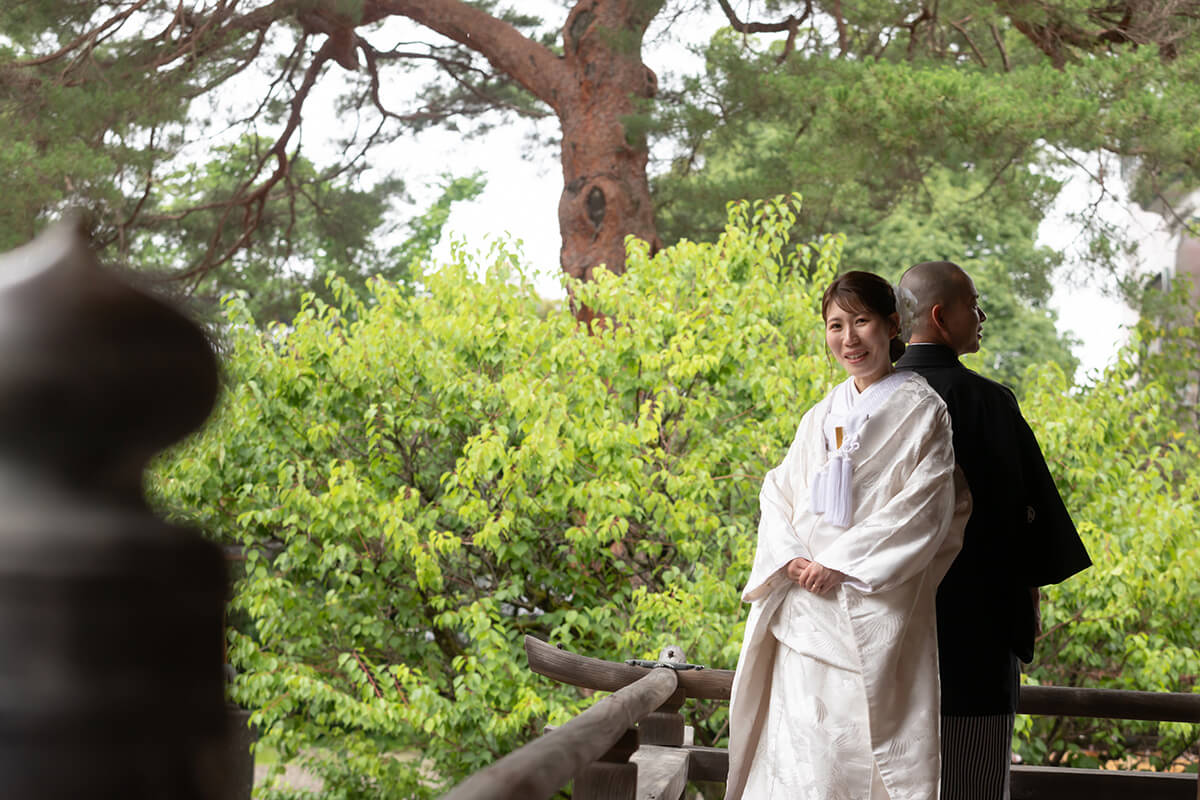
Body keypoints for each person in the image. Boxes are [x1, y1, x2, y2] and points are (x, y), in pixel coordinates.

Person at [725, 270, 971, 800]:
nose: (849, 338)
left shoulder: (922, 409)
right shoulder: (819, 416)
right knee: (794, 758)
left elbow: (927, 507)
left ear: (892, 325)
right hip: (802, 611)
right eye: (836, 325)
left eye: (861, 321)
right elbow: (778, 493)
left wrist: (842, 562)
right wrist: (790, 557)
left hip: (866, 605)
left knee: (854, 758)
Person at [895, 261, 1092, 800]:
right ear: (939, 315)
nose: (981, 316)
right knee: (973, 788)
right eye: (973, 305)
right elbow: (1027, 524)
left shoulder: (869, 399)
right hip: (974, 642)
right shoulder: (987, 403)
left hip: (883, 639)